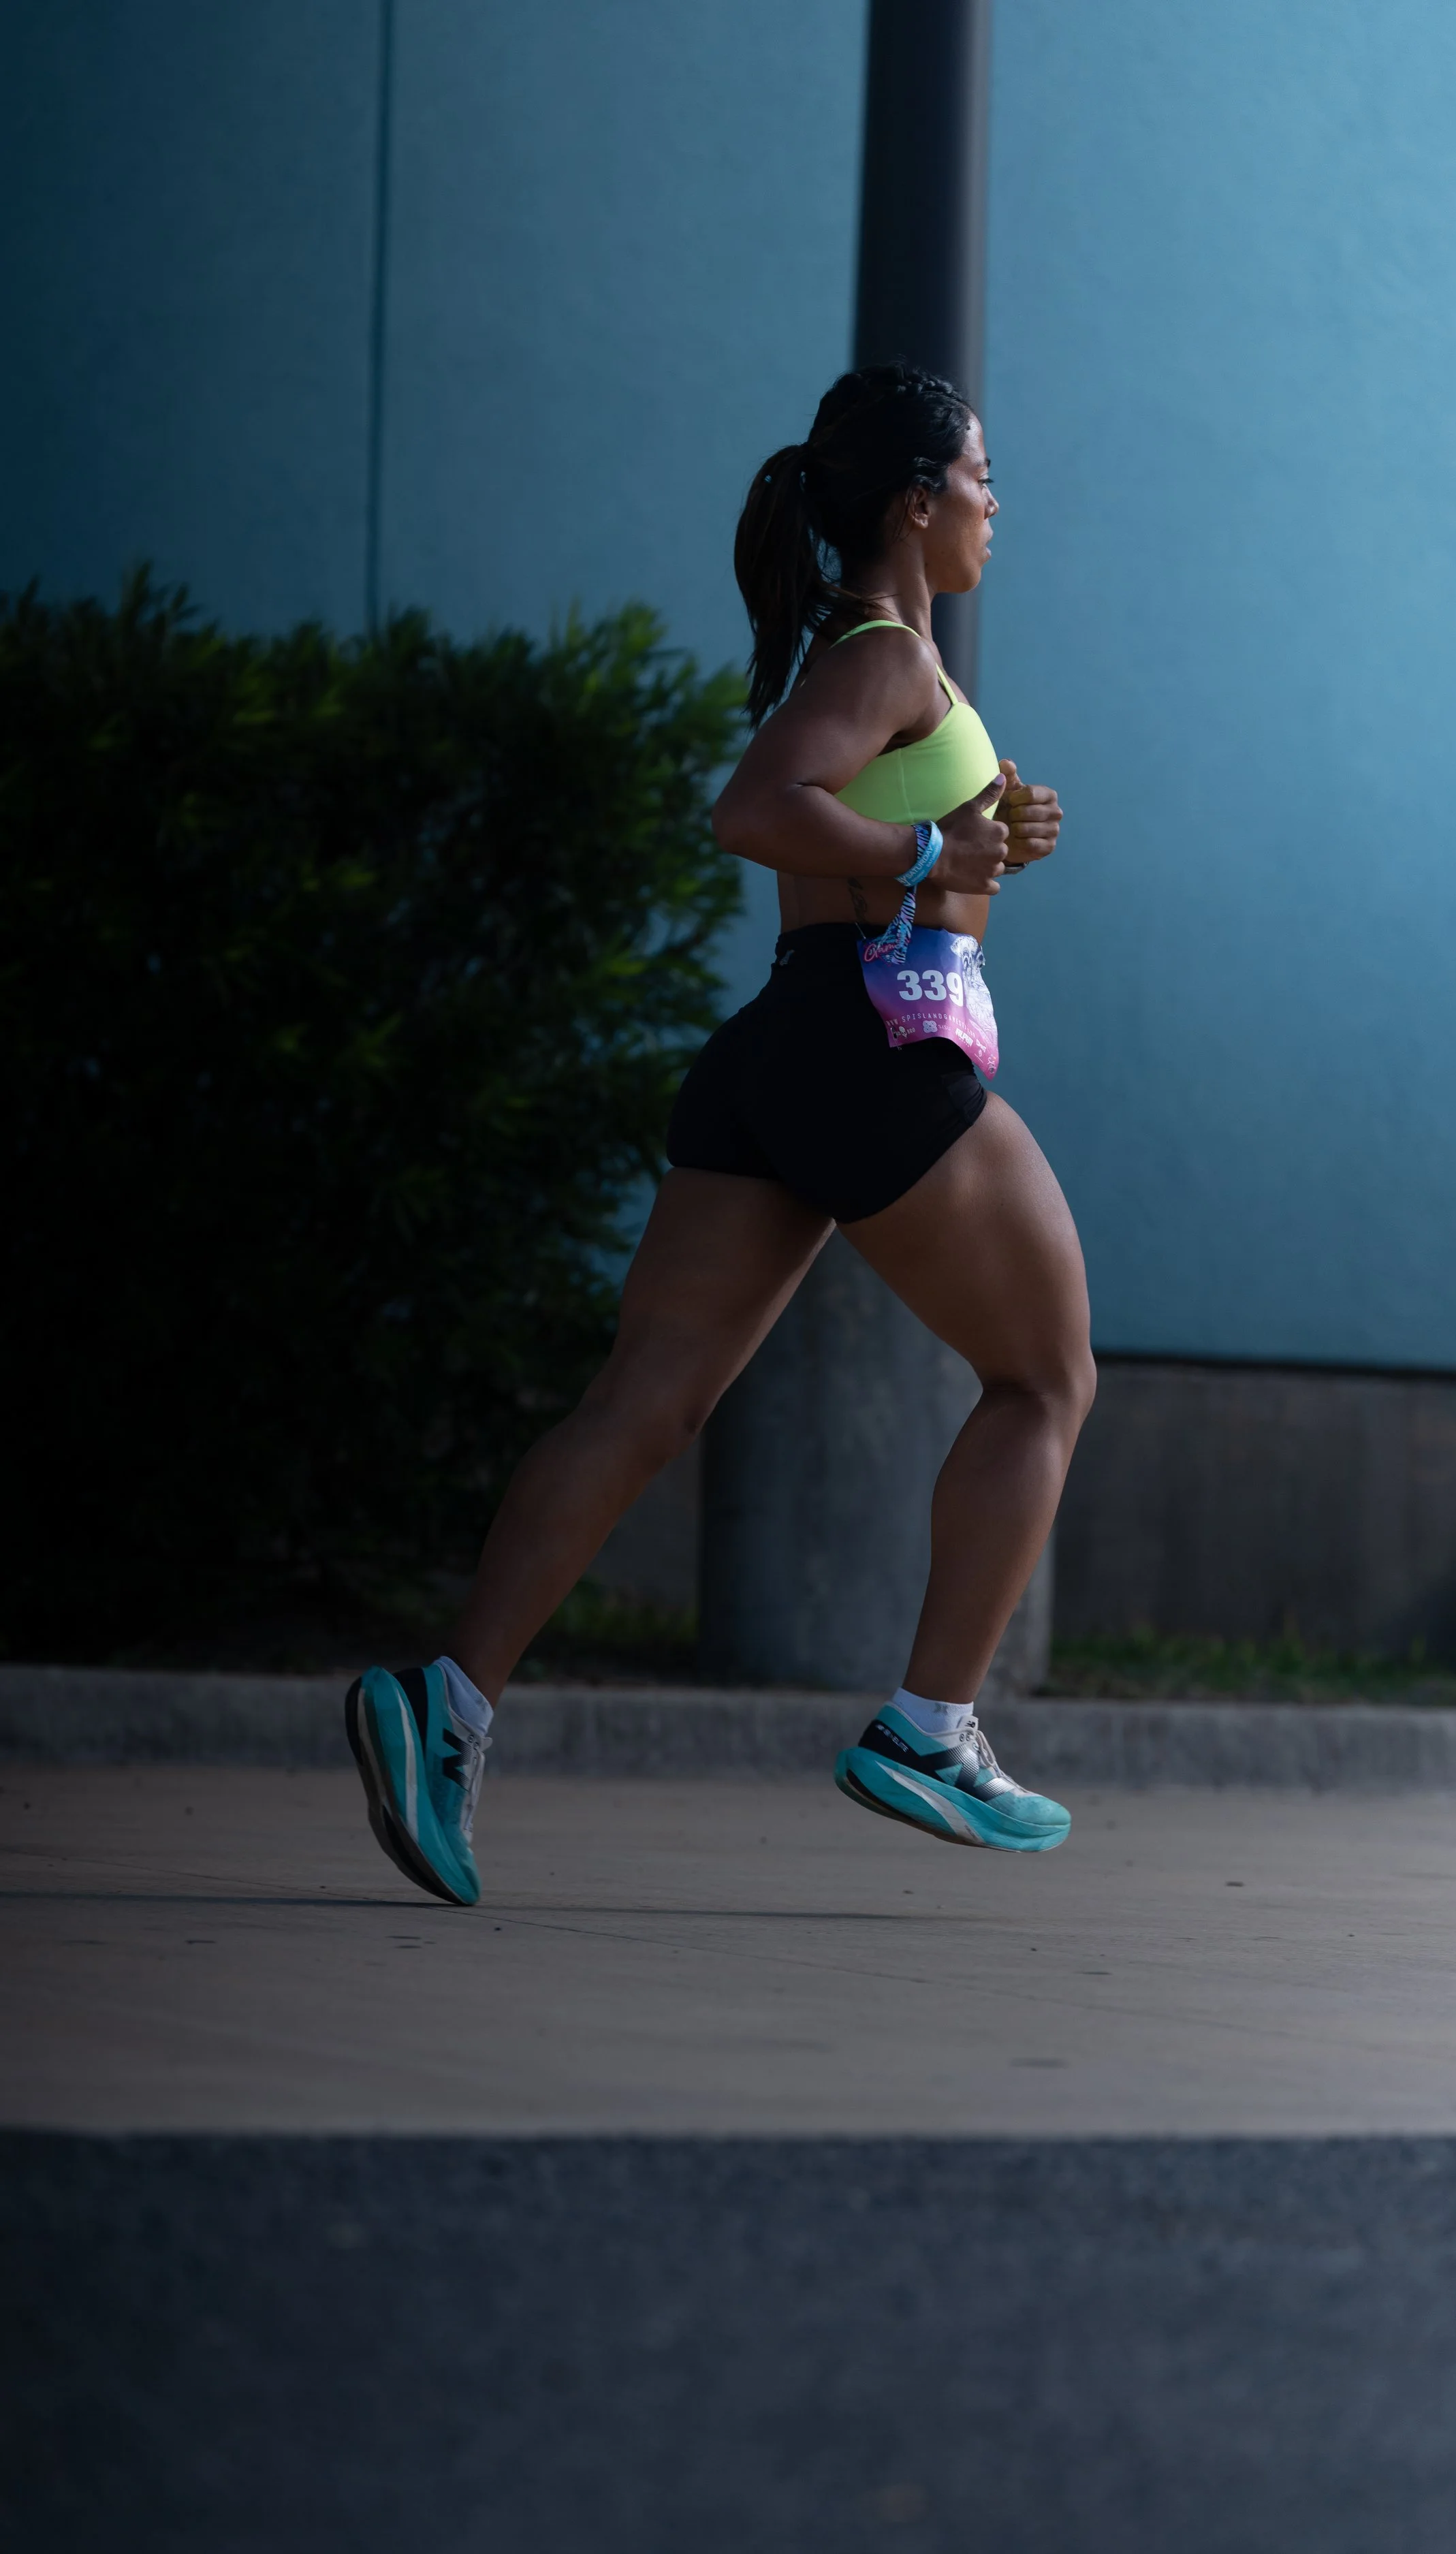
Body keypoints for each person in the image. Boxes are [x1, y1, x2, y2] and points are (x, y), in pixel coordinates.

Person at [346, 363, 1096, 1906]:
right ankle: (929, 1728)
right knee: (1045, 1377)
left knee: (644, 1401)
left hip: (787, 1045)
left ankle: (450, 1703)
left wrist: (978, 841)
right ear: (913, 500)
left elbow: (877, 835)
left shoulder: (884, 663)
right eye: (976, 477)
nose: (992, 503)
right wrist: (923, 852)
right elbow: (754, 807)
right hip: (872, 1047)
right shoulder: (883, 653)